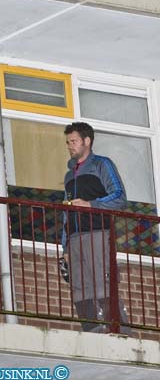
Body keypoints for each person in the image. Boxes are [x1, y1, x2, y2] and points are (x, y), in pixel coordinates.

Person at [62, 121, 130, 332]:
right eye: (68, 142)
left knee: (102, 284)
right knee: (80, 289)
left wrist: (91, 204)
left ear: (87, 141)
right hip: (74, 239)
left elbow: (120, 197)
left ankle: (119, 332)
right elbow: (66, 212)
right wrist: (65, 247)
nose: (70, 146)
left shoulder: (102, 164)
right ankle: (91, 331)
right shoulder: (68, 175)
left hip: (98, 232)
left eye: (73, 141)